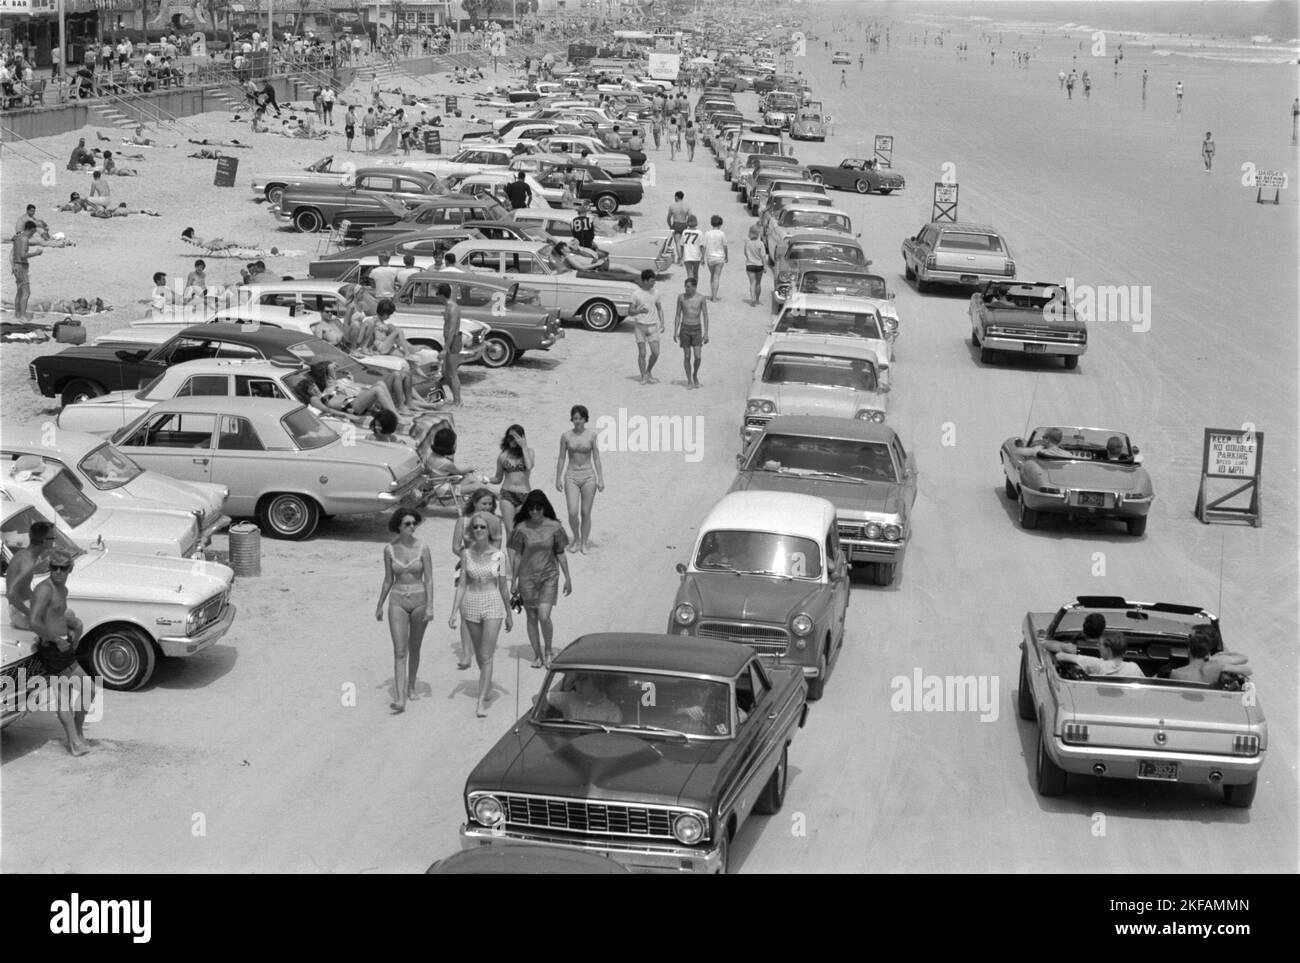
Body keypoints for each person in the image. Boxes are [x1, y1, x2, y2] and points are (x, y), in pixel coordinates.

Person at [450, 511, 513, 716]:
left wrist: (509, 613)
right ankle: (486, 682)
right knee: (479, 653)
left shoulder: (499, 556)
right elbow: (461, 585)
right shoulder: (466, 554)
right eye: (475, 527)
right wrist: (453, 612)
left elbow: (503, 587)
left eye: (482, 527)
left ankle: (480, 701)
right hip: (471, 603)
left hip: (492, 603)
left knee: (486, 655)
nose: (478, 530)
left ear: (489, 531)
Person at [30, 550, 91, 756]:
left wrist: (73, 629)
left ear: (69, 569)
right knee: (83, 689)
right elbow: (34, 621)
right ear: (49, 568)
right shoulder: (44, 590)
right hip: (53, 648)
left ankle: (76, 735)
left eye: (63, 568)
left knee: (77, 691)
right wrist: (56, 640)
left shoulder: (62, 589)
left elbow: (56, 616)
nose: (57, 571)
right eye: (54, 567)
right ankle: (75, 740)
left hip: (62, 646)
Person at [375, 508, 434, 714]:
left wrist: (430, 606)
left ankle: (411, 685)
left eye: (413, 524)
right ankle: (400, 697)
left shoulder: (423, 548)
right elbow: (387, 579)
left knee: (414, 647)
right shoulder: (389, 550)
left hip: (419, 600)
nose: (411, 527)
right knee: (399, 651)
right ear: (398, 525)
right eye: (407, 524)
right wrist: (379, 604)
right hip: (397, 600)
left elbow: (429, 579)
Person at [509, 490, 571, 668]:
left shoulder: (555, 527)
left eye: (538, 508)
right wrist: (513, 580)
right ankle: (537, 655)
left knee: (544, 616)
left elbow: (560, 553)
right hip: (527, 578)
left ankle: (549, 651)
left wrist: (568, 577)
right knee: (531, 616)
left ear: (544, 508)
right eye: (531, 509)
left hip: (549, 576)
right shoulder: (520, 529)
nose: (535, 512)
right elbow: (517, 556)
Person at [556, 404, 603, 554]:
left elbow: (596, 458)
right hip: (571, 476)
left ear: (585, 419)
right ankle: (576, 538)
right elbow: (562, 458)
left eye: (580, 418)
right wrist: (558, 478)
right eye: (575, 418)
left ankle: (584, 542)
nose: (577, 421)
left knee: (585, 512)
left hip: (589, 475)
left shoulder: (592, 435)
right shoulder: (566, 436)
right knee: (572, 511)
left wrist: (601, 478)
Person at [5, 520, 57, 629]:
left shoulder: (28, 555)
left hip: (26, 605)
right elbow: (10, 594)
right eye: (52, 538)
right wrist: (30, 614)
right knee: (65, 623)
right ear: (43, 540)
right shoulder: (26, 560)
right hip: (21, 612)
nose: (54, 541)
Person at [491, 424, 534, 538]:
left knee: (523, 530)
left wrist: (523, 447)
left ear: (521, 438)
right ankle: (512, 557)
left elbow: (529, 466)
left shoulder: (529, 452)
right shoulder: (503, 456)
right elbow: (498, 478)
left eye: (515, 438)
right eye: (509, 437)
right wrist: (485, 479)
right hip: (507, 494)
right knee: (510, 531)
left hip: (524, 494)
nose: (512, 441)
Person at [1170, 626, 1253, 684]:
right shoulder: (1216, 665)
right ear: (1206, 652)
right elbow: (1248, 670)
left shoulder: (1175, 673)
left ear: (1188, 650)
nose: (1189, 637)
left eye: (1191, 636)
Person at [1056, 631, 1145, 678]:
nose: (1097, 645)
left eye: (1100, 644)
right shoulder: (1134, 668)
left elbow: (1059, 656)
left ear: (1108, 648)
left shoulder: (1096, 664)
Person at [630, 268, 664, 385]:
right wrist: (638, 311)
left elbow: (659, 308)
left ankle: (648, 371)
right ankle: (643, 376)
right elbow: (630, 311)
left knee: (656, 353)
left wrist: (662, 322)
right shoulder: (636, 294)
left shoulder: (656, 292)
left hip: (652, 326)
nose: (653, 283)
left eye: (654, 281)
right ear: (644, 281)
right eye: (651, 281)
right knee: (642, 353)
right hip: (640, 326)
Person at [674, 277, 709, 389]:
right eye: (685, 286)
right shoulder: (681, 298)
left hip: (697, 329)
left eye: (688, 287)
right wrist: (675, 331)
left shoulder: (701, 298)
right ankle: (689, 379)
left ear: (694, 287)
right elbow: (678, 314)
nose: (686, 289)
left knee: (698, 357)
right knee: (687, 356)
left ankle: (695, 374)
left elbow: (705, 315)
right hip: (685, 328)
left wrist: (706, 332)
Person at [547, 673, 621, 723]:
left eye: (584, 683)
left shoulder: (612, 711)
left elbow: (611, 739)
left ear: (596, 686)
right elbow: (538, 699)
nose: (578, 687)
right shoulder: (568, 698)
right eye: (577, 682)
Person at [10, 221, 42, 320]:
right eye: (34, 231)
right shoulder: (25, 239)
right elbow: (23, 255)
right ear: (31, 229)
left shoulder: (17, 237)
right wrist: (36, 253)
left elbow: (12, 253)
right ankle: (23, 315)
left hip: (16, 266)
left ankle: (17, 314)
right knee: (26, 292)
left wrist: (13, 265)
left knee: (19, 292)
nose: (34, 233)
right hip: (22, 267)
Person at [439, 283, 463, 406]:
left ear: (442, 295)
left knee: (452, 373)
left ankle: (458, 401)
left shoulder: (452, 308)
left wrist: (445, 349)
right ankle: (455, 398)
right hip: (450, 340)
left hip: (453, 341)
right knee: (445, 372)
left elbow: (452, 330)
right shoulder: (448, 306)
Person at [702, 214, 728, 301]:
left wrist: (702, 257)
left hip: (710, 257)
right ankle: (714, 297)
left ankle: (712, 294)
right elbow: (725, 246)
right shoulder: (722, 234)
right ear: (720, 224)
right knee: (717, 276)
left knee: (712, 275)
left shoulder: (707, 233)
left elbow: (704, 246)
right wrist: (726, 256)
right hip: (720, 257)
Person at [743, 223, 765, 304]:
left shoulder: (747, 243)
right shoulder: (761, 244)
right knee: (758, 283)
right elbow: (763, 256)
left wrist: (749, 257)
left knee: (752, 282)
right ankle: (757, 300)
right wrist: (765, 266)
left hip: (750, 265)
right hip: (759, 265)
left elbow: (745, 253)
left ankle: (752, 297)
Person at [666, 191, 690, 262]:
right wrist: (688, 225)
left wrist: (670, 226)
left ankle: (680, 258)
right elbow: (690, 217)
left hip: (676, 224)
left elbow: (668, 218)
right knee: (684, 243)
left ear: (676, 197)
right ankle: (683, 257)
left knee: (677, 243)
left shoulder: (672, 206)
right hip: (684, 224)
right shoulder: (687, 206)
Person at [679, 214, 702, 282]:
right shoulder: (699, 232)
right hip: (696, 255)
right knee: (695, 273)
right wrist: (703, 256)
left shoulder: (684, 232)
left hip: (687, 255)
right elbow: (702, 245)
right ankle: (694, 288)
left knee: (689, 273)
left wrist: (681, 256)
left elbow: (681, 245)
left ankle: (691, 288)